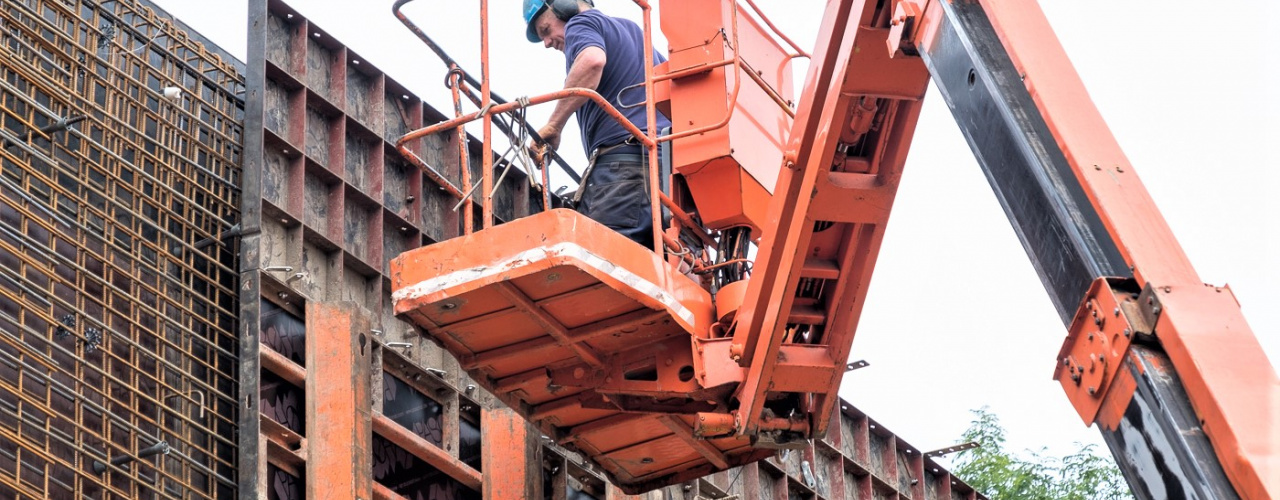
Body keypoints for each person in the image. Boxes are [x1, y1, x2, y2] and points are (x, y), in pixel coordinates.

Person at [523, 0, 670, 250]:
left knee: (601, 261)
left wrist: (554, 125)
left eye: (546, 30)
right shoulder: (634, 31)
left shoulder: (581, 22)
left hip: (624, 168)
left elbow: (592, 60)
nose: (547, 43)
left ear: (565, 6)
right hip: (666, 173)